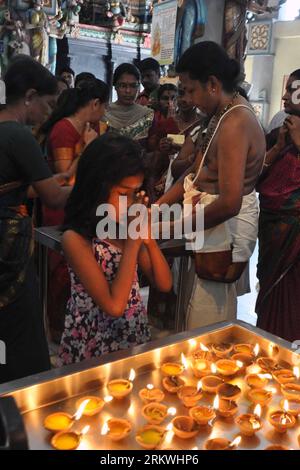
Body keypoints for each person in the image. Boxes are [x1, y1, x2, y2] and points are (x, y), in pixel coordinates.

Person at [157, 41, 265, 329]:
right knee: (195, 309)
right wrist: (156, 209)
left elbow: (230, 203)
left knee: (207, 321)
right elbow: (195, 173)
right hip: (205, 226)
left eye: (191, 90)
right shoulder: (219, 115)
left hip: (224, 232)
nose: (188, 99)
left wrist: (168, 228)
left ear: (213, 84)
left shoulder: (235, 122)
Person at [57, 134, 172, 365]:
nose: (128, 203)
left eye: (134, 193)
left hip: (130, 336)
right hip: (92, 343)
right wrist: (132, 243)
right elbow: (114, 305)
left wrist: (146, 239)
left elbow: (164, 284)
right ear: (96, 186)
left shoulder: (122, 227)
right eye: (122, 194)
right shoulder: (75, 239)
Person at [0, 56, 71, 384]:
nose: (48, 113)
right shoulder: (17, 134)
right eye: (47, 103)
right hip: (9, 247)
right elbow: (53, 197)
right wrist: (89, 183)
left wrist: (66, 176)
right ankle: (20, 405)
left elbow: (18, 188)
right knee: (22, 325)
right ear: (29, 96)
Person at [40, 79, 110, 342]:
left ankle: (75, 327)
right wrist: (90, 147)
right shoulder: (63, 130)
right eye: (103, 107)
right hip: (62, 208)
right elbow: (65, 179)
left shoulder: (91, 128)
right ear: (94, 104)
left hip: (84, 208)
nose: (104, 113)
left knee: (78, 271)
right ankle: (57, 330)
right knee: (60, 271)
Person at [256, 69, 300, 343]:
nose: (284, 95)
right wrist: (280, 145)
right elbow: (254, 177)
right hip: (273, 232)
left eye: (292, 89)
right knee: (271, 295)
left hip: (296, 243)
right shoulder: (276, 133)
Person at [105, 63, 154, 144]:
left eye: (133, 86)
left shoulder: (147, 114)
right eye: (123, 86)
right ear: (115, 86)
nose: (128, 91)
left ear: (138, 87)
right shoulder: (104, 113)